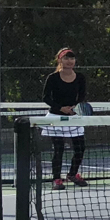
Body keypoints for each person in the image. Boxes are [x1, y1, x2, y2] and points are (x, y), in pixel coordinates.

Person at [41, 47, 88, 190]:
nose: (69, 61)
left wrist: (73, 107)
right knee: (58, 149)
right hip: (55, 117)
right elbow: (46, 97)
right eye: (66, 58)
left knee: (80, 148)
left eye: (72, 58)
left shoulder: (80, 77)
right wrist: (60, 108)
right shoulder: (53, 78)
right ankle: (56, 179)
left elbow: (82, 95)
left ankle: (72, 174)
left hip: (73, 117)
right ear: (60, 60)